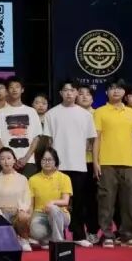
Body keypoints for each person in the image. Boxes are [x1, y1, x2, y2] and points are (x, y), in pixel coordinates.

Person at [41, 81, 98, 246]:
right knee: (57, 202)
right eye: (65, 90)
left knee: (79, 202)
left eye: (72, 90)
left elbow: (91, 140)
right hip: (58, 166)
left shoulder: (86, 115)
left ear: (76, 93)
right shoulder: (51, 114)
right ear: (60, 93)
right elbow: (48, 141)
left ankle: (79, 235)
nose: (69, 93)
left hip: (78, 164)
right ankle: (57, 236)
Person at [92, 78, 132, 247]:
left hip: (130, 163)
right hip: (107, 162)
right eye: (112, 88)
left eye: (119, 88)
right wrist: (96, 162)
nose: (116, 91)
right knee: (106, 201)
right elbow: (96, 138)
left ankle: (130, 235)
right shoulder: (100, 112)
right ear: (106, 92)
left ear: (124, 92)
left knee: (131, 201)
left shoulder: (131, 113)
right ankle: (107, 235)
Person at [0, 77, 44, 178]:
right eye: (11, 87)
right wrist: (8, 158)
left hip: (28, 162)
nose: (14, 90)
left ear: (22, 90)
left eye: (17, 87)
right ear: (7, 91)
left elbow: (36, 137)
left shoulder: (31, 111)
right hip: (7, 163)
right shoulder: (0, 113)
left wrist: (26, 158)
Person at [0, 147, 34, 251]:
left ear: (14, 160)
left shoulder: (22, 179)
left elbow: (26, 198)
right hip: (1, 213)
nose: (6, 161)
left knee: (23, 217)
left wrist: (22, 210)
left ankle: (24, 239)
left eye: (9, 158)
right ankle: (13, 237)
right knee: (2, 246)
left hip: (17, 213)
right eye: (2, 159)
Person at [28, 147, 73, 247]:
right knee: (36, 232)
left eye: (50, 160)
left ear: (55, 161)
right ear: (40, 161)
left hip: (60, 214)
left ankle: (58, 242)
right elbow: (31, 205)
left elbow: (65, 201)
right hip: (40, 214)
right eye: (44, 159)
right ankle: (48, 238)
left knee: (53, 209)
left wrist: (53, 203)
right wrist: (29, 222)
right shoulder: (33, 179)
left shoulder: (64, 178)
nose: (47, 162)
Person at [75, 82, 100, 242]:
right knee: (77, 199)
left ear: (92, 98)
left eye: (88, 94)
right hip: (74, 162)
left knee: (92, 199)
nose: (84, 96)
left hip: (93, 162)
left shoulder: (98, 114)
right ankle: (77, 233)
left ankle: (92, 230)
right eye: (81, 93)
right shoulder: (71, 113)